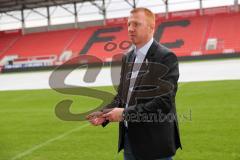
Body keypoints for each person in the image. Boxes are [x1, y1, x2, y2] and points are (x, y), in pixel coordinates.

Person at [86, 7, 182, 160]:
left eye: (136, 24)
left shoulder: (165, 57)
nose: (130, 29)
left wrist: (124, 114)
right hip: (130, 143)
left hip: (155, 145)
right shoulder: (128, 57)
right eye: (129, 24)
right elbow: (123, 96)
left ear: (151, 27)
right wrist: (104, 115)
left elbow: (164, 102)